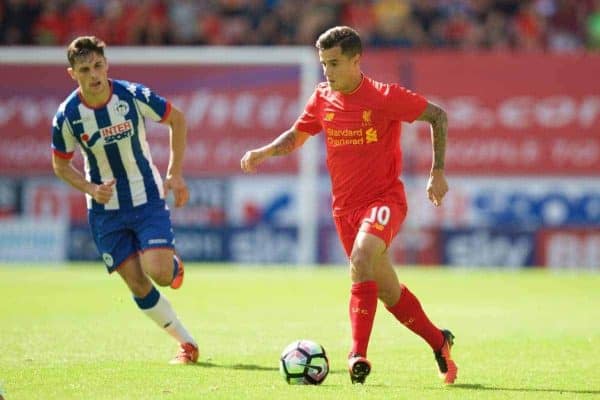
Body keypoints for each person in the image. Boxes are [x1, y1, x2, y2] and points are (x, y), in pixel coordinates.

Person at [241, 26, 457, 384]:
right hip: (344, 211)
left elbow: (438, 115)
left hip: (385, 200)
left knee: (361, 257)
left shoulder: (384, 97)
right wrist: (264, 152)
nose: (327, 71)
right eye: (324, 63)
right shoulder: (322, 97)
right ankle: (439, 342)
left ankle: (357, 354)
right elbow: (298, 134)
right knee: (388, 292)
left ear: (357, 61)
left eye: (335, 63)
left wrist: (437, 172)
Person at [51, 36, 198, 364]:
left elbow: (178, 119)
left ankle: (172, 267)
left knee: (159, 273)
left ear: (107, 64)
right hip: (105, 211)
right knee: (136, 282)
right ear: (72, 73)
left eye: (99, 66)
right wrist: (90, 188)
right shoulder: (67, 116)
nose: (94, 74)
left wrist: (174, 174)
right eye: (85, 69)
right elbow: (60, 164)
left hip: (145, 197)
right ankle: (187, 345)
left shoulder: (131, 95)